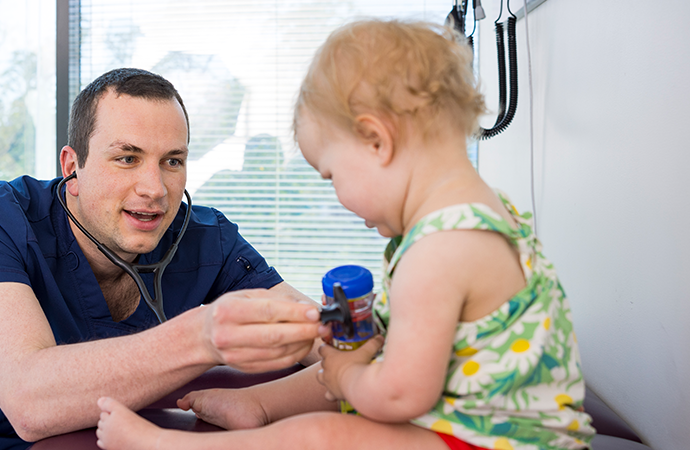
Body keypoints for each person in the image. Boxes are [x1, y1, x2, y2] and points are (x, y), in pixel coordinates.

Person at [94, 20, 596, 450]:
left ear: (376, 140)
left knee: (323, 432)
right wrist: (358, 346)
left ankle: (161, 443)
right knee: (349, 361)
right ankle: (258, 405)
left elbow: (401, 395)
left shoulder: (440, 251)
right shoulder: (477, 213)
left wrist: (347, 374)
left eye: (332, 174)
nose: (336, 196)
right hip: (488, 428)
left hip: (495, 440)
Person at [0, 68, 326, 449]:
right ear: (72, 167)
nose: (154, 188)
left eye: (172, 161)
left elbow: (321, 333)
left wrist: (370, 348)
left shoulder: (207, 239)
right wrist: (201, 336)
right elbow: (29, 401)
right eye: (127, 158)